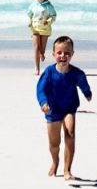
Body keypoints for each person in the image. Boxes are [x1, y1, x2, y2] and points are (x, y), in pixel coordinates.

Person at [36, 34, 93, 179]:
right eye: (59, 53)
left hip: (69, 108)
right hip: (52, 110)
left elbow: (82, 79)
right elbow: (40, 89)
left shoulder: (75, 72)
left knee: (70, 133)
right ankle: (55, 162)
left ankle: (67, 170)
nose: (63, 56)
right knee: (54, 143)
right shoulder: (49, 72)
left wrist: (87, 93)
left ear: (72, 55)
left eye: (67, 53)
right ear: (53, 54)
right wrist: (43, 102)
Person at [25, 0, 56, 72]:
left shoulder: (49, 6)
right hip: (34, 29)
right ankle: (37, 68)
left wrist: (48, 21)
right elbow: (29, 15)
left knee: (42, 49)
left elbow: (53, 16)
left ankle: (42, 54)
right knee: (36, 48)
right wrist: (29, 22)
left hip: (45, 29)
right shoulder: (33, 5)